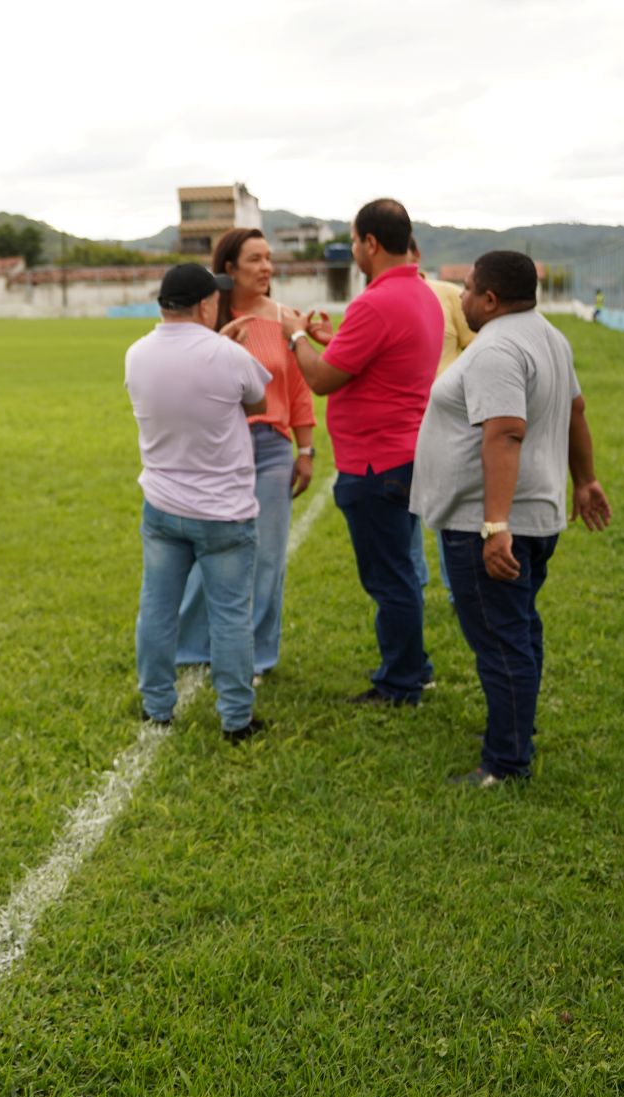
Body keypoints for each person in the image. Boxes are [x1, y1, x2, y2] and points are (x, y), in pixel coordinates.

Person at [410, 251, 612, 786]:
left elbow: (505, 432)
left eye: (469, 289)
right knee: (517, 630)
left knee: (502, 642)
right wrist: (585, 480)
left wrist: (494, 526)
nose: (463, 298)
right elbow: (576, 412)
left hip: (496, 523)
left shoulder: (498, 348)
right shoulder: (547, 335)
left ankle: (505, 763)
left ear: (491, 299)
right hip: (532, 516)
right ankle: (517, 732)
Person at [278, 198, 442, 705]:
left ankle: (400, 684)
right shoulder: (421, 294)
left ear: (370, 243)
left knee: (389, 578)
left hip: (375, 462)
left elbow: (323, 379)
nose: (352, 250)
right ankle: (415, 667)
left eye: (353, 240)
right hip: (407, 452)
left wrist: (297, 336)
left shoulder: (376, 302)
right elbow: (373, 359)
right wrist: (334, 338)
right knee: (403, 571)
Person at [126, 263, 272, 743]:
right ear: (207, 305)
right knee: (230, 614)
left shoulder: (136, 354)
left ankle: (157, 706)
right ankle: (235, 718)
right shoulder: (226, 354)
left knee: (157, 607)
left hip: (163, 505)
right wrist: (223, 346)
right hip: (223, 510)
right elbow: (257, 403)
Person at [175, 228, 316, 682]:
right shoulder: (206, 321)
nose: (266, 268)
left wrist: (307, 447)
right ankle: (192, 646)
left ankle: (255, 657)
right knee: (206, 548)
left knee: (267, 555)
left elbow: (295, 390)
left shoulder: (285, 320)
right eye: (254, 259)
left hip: (272, 449)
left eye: (268, 258)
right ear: (228, 268)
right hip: (216, 449)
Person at [409, 235, 475, 594]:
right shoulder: (372, 303)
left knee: (449, 504)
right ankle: (413, 584)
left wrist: (449, 389)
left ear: (415, 254)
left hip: (448, 420)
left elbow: (476, 345)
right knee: (406, 508)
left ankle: (456, 587)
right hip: (403, 424)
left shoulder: (448, 295)